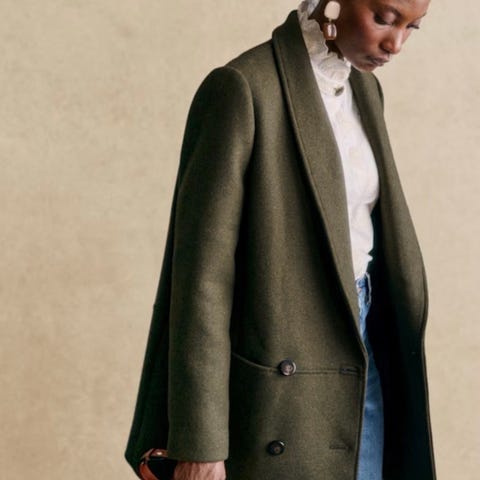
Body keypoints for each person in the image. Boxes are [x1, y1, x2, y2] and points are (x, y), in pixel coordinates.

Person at [125, 0, 436, 479]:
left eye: (412, 27)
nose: (395, 44)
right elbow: (201, 283)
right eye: (384, 18)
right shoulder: (243, 88)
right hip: (277, 380)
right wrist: (200, 443)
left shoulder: (364, 89)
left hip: (364, 355)